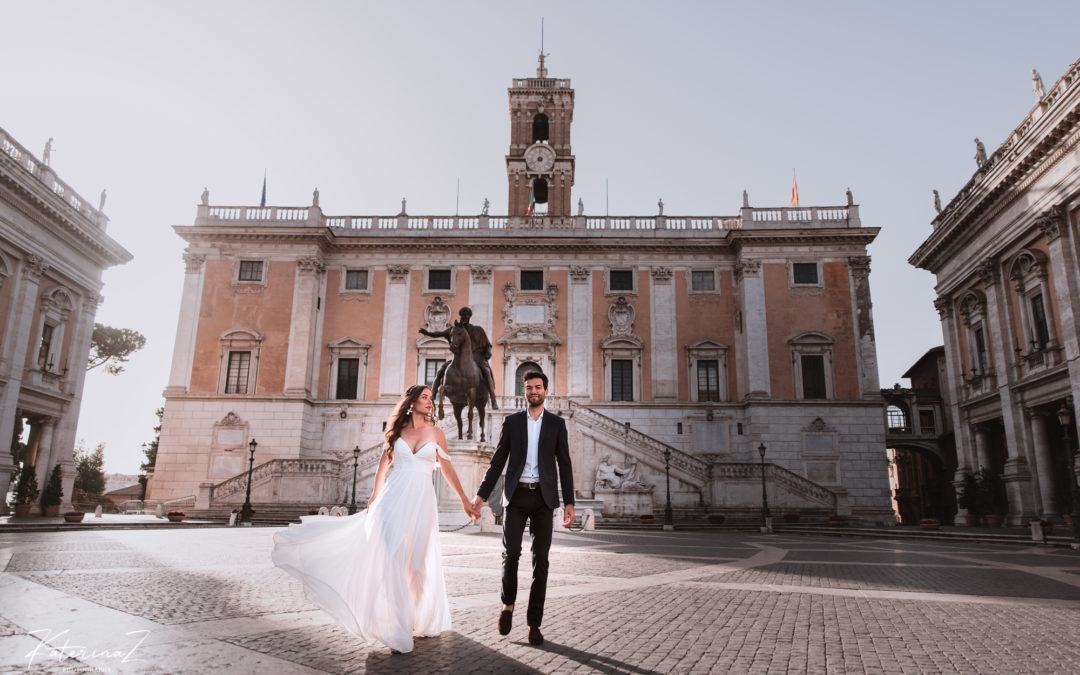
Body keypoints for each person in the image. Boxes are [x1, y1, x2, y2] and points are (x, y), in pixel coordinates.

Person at [272, 385, 479, 654]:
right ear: (411, 402)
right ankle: (397, 628)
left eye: (431, 398)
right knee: (392, 559)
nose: (430, 402)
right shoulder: (397, 433)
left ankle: (416, 618)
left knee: (417, 566)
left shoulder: (437, 433)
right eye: (425, 398)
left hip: (422, 503)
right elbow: (383, 467)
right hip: (392, 502)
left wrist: (464, 499)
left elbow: (447, 468)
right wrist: (373, 499)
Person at [472, 370, 574, 646]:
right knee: (511, 553)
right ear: (524, 391)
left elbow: (564, 464)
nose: (533, 391)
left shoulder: (556, 424)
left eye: (538, 387)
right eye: (529, 387)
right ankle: (507, 605)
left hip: (544, 498)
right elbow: (497, 462)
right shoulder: (512, 422)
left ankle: (534, 624)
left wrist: (570, 503)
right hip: (516, 497)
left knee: (541, 561)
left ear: (546, 391)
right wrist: (480, 496)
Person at [420, 306, 499, 410]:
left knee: (487, 372)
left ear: (469, 317)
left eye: (467, 315)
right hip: (458, 359)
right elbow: (440, 333)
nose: (465, 317)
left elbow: (488, 345)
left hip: (477, 358)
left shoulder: (478, 330)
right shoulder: (455, 329)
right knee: (440, 371)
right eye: (463, 315)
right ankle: (433, 396)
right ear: (461, 316)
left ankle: (493, 399)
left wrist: (488, 352)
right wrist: (428, 333)